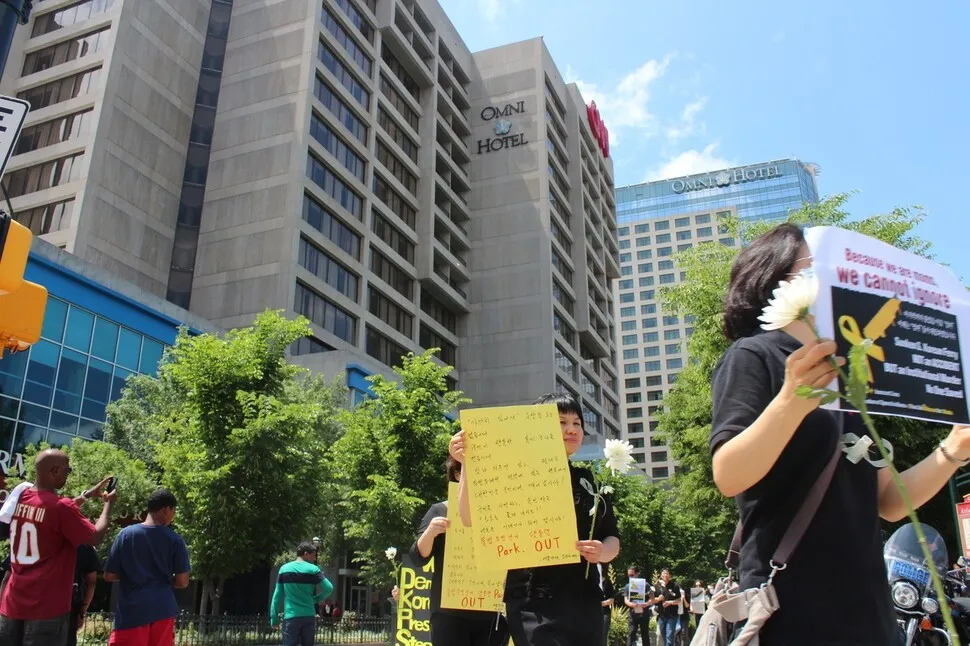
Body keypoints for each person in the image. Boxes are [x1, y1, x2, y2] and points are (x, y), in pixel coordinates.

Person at [711, 223, 970, 645]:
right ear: (774, 280)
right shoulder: (753, 356)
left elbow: (889, 500)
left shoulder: (853, 374)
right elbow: (729, 474)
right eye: (818, 267)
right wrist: (791, 400)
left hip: (870, 609)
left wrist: (954, 449)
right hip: (791, 610)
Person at [452, 393, 621, 646]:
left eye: (577, 423)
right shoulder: (513, 472)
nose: (571, 429)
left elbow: (611, 536)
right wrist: (466, 462)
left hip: (584, 601)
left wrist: (602, 552)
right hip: (533, 602)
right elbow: (469, 518)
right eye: (561, 422)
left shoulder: (588, 481)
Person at [0, 450, 116, 646]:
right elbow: (94, 536)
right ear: (54, 470)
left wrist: (85, 496)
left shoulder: (22, 497)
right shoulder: (61, 507)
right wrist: (108, 506)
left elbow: (51, 512)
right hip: (47, 609)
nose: (68, 474)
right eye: (67, 470)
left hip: (12, 604)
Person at [409, 455, 508, 646]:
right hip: (449, 614)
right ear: (456, 474)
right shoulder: (439, 510)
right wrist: (430, 532)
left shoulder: (501, 511)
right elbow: (417, 558)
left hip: (490, 612)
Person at [103, 488, 190, 646]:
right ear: (165, 510)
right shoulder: (175, 540)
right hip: (163, 609)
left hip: (131, 612)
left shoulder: (125, 535)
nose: (173, 515)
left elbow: (109, 575)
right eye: (173, 511)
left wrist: (133, 574)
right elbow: (183, 581)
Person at [270, 541, 333, 646]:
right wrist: (316, 599)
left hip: (291, 616)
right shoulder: (313, 570)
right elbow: (329, 588)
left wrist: (274, 618)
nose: (314, 559)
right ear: (306, 554)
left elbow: (277, 596)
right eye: (313, 556)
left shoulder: (284, 569)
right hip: (308, 616)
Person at [69, 544, 100, 646]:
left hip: (40, 605)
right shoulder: (85, 546)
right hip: (71, 608)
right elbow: (91, 582)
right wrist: (82, 612)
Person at [623, 566, 651, 646]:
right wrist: (630, 604)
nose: (630, 577)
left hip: (644, 612)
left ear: (638, 573)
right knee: (631, 633)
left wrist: (646, 604)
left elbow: (652, 599)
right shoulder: (627, 586)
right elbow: (625, 599)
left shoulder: (646, 585)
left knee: (645, 633)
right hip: (632, 613)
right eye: (628, 575)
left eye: (632, 575)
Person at [653, 569, 680, 646]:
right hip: (661, 615)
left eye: (667, 574)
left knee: (669, 637)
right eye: (664, 574)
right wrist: (658, 599)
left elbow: (679, 600)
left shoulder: (675, 585)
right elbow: (652, 600)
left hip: (672, 615)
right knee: (662, 636)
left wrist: (670, 602)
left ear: (670, 575)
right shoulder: (657, 586)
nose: (665, 575)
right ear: (661, 575)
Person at [599, 564, 614, 646]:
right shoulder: (592, 581)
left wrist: (603, 603)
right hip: (593, 613)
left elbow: (611, 599)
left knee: (603, 636)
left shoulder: (607, 582)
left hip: (604, 613)